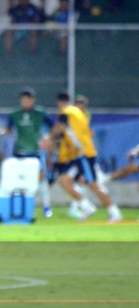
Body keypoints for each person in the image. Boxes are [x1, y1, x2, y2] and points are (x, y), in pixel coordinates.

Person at [49, 92, 121, 222]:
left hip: (84, 155)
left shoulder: (67, 111)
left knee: (93, 185)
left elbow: (60, 128)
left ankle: (114, 212)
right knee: (64, 181)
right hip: (77, 155)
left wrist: (49, 137)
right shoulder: (77, 114)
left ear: (58, 102)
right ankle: (86, 206)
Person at [0, 88, 54, 217]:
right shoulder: (15, 113)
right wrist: (0, 132)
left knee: (41, 179)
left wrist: (48, 137)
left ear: (33, 100)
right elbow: (8, 129)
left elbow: (54, 127)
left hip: (35, 152)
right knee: (19, 180)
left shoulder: (40, 113)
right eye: (23, 100)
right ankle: (21, 208)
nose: (25, 102)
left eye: (28, 100)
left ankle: (47, 208)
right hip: (19, 152)